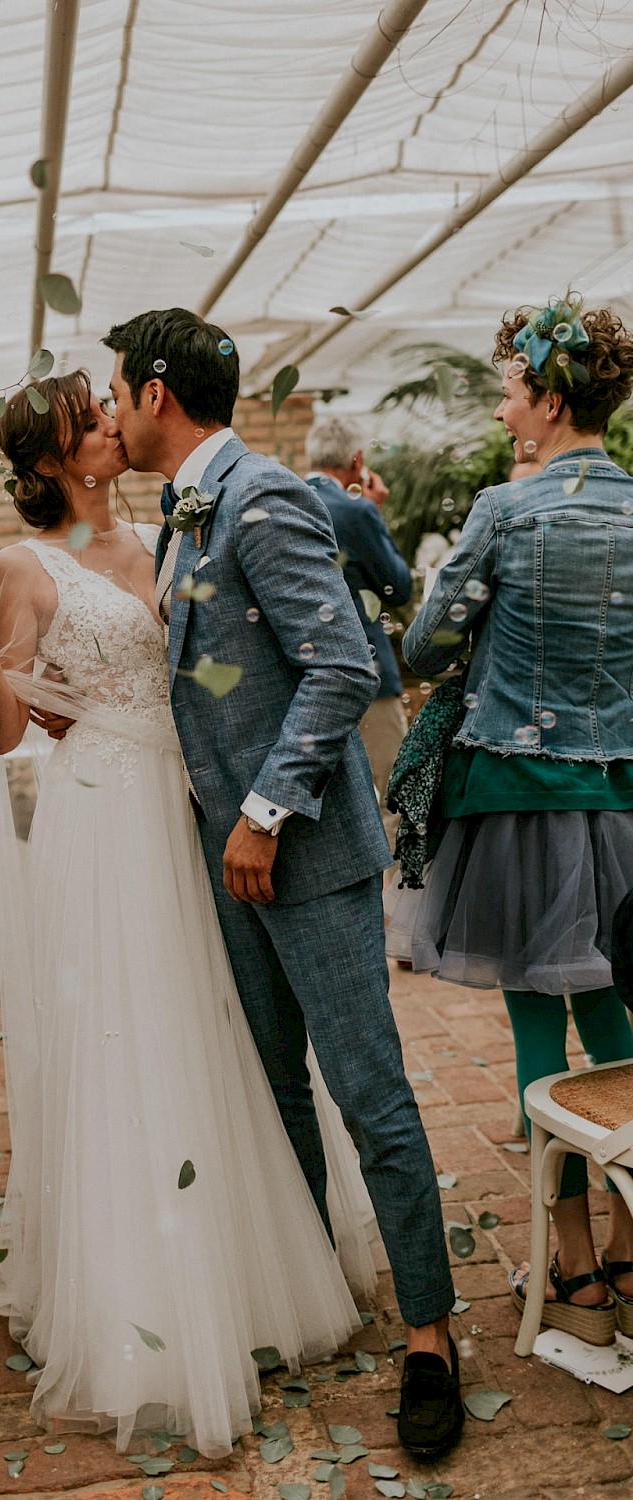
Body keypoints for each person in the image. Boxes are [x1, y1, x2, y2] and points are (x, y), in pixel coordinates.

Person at [0, 369, 380, 1458]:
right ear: (48, 461)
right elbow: (7, 733)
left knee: (218, 1022)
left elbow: (210, 674)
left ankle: (238, 1265)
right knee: (127, 1038)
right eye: (88, 423)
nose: (109, 427)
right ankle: (144, 1298)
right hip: (101, 818)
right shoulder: (19, 563)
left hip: (192, 804)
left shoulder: (168, 536)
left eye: (105, 411)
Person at [100, 309, 462, 1459]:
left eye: (116, 393)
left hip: (299, 854)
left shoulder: (257, 498)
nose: (110, 414)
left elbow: (342, 662)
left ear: (157, 393)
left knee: (368, 1090)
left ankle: (430, 1334)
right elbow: (222, 670)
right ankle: (315, 1282)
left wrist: (259, 812)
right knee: (272, 1088)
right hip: (228, 859)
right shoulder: (186, 517)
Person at [391, 294, 633, 1345]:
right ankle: (630, 1229)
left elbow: (424, 650)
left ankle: (571, 1259)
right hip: (624, 796)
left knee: (538, 1015)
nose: (500, 411)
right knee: (616, 1010)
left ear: (546, 396)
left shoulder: (504, 509)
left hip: (518, 793)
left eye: (506, 392)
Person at [304, 415, 413, 845]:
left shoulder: (285, 501)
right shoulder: (356, 508)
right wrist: (374, 512)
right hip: (366, 670)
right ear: (358, 460)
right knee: (392, 792)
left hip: (305, 673)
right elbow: (399, 586)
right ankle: (391, 908)